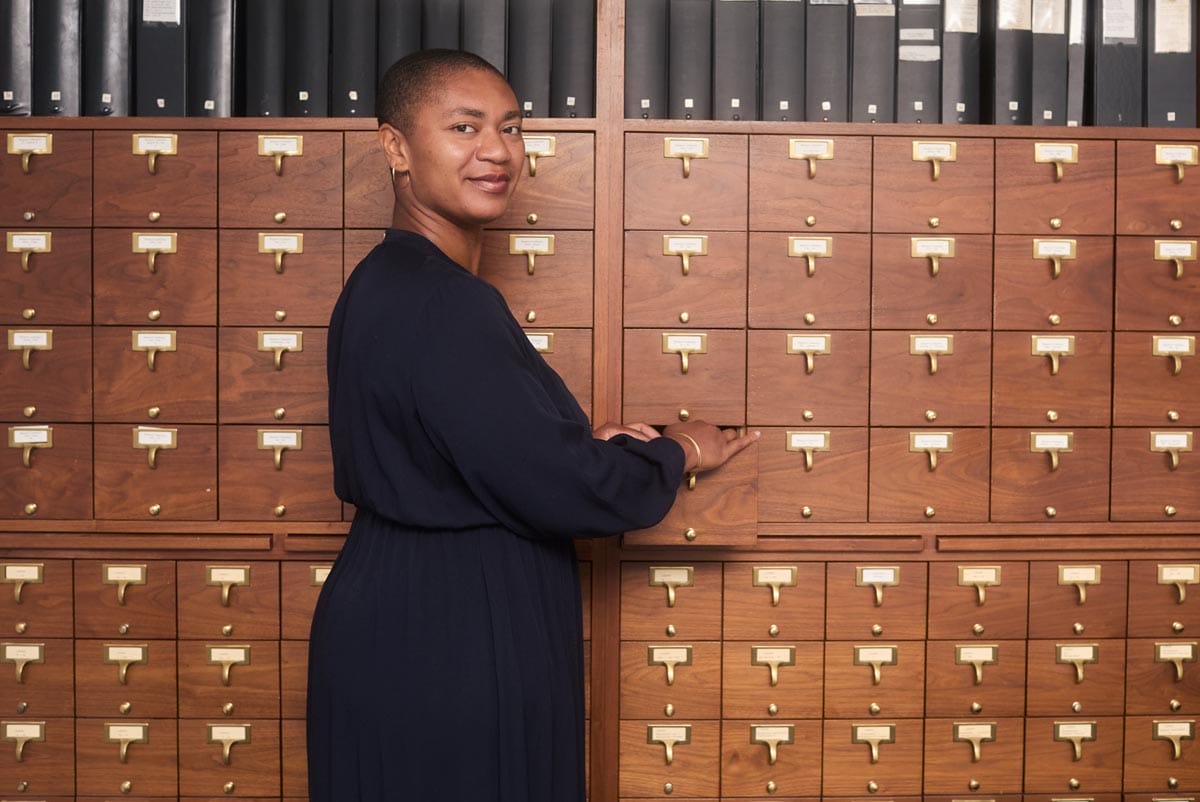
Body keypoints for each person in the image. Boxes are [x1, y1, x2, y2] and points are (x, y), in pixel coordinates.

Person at [306, 49, 757, 802]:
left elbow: (459, 445)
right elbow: (568, 491)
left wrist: (572, 440)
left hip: (390, 611)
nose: (497, 150)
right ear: (396, 148)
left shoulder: (383, 282)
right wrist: (678, 451)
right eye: (464, 127)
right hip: (454, 636)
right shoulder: (449, 303)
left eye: (511, 128)